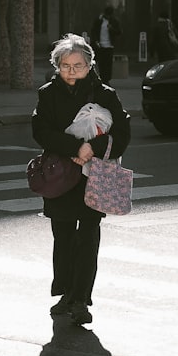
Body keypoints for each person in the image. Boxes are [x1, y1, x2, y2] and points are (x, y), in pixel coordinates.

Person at [32, 33, 131, 326]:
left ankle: (79, 300)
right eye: (65, 65)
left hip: (94, 176)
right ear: (56, 66)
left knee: (88, 235)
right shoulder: (47, 94)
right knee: (62, 235)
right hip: (60, 176)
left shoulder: (105, 95)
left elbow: (123, 134)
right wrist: (75, 147)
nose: (71, 71)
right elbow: (41, 131)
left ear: (90, 65)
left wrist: (93, 148)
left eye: (78, 65)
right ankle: (65, 292)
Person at [90, 6, 121, 85]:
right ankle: (102, 78)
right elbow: (94, 31)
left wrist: (112, 29)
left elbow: (119, 32)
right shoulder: (99, 21)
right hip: (100, 46)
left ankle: (106, 79)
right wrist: (95, 41)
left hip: (109, 46)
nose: (108, 17)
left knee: (108, 64)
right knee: (102, 63)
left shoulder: (114, 21)